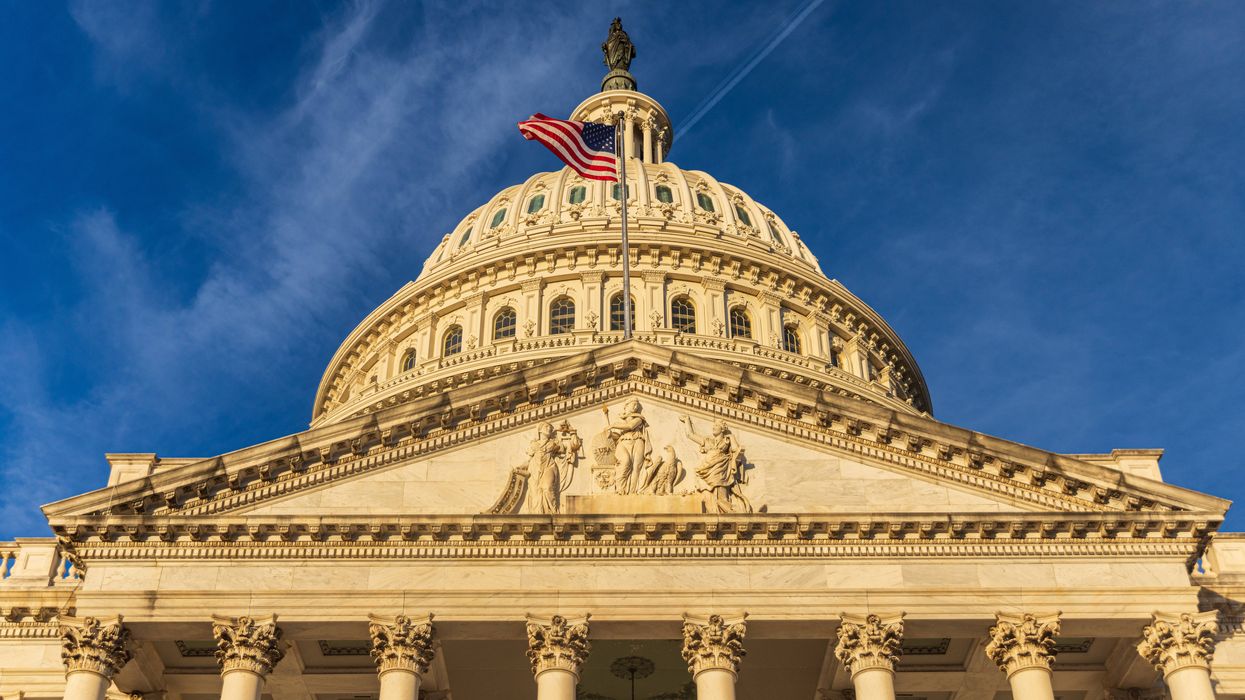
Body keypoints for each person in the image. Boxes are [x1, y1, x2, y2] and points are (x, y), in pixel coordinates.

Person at [679, 415, 750, 513]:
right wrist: (686, 420)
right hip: (706, 471)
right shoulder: (708, 441)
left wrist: (732, 437)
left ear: (722, 429)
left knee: (721, 499)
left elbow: (735, 449)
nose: (713, 427)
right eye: (713, 425)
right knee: (707, 497)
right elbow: (690, 435)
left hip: (720, 472)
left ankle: (723, 514)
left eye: (716, 426)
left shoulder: (727, 440)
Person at [608, 399, 651, 494]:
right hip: (623, 442)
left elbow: (630, 426)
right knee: (624, 461)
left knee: (636, 467)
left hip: (637, 441)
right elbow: (617, 435)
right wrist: (610, 434)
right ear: (626, 406)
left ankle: (632, 491)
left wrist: (613, 425)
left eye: (637, 405)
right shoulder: (620, 419)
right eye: (633, 404)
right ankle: (620, 488)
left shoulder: (639, 418)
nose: (635, 406)